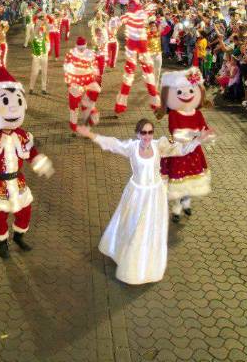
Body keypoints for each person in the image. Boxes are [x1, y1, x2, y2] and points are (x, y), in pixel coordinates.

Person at [75, 119, 210, 285]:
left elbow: (181, 150)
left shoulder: (159, 145)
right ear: (137, 133)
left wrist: (198, 140)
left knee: (149, 229)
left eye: (150, 132)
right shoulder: (131, 147)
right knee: (134, 226)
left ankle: (147, 264)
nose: (147, 136)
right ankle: (128, 260)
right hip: (136, 194)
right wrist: (90, 134)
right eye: (143, 132)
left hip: (154, 194)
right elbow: (112, 143)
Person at [0, 67, 54, 258]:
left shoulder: (21, 134)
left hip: (17, 180)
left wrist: (39, 162)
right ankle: (2, 243)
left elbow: (30, 151)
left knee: (24, 209)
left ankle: (19, 236)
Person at [156, 68, 214, 221]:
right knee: (177, 181)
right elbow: (176, 133)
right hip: (179, 151)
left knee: (189, 180)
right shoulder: (174, 114)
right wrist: (195, 134)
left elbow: (205, 129)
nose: (187, 95)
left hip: (194, 152)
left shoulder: (198, 113)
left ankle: (186, 204)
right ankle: (176, 209)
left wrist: (207, 135)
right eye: (180, 92)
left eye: (190, 90)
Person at [113, 0, 160, 114]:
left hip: (132, 45)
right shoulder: (143, 14)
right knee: (148, 71)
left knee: (129, 74)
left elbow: (116, 23)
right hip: (142, 45)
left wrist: (113, 26)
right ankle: (154, 101)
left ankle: (121, 104)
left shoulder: (128, 15)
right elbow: (153, 7)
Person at [63, 37, 101, 132]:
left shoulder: (91, 54)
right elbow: (66, 68)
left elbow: (96, 69)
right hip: (75, 83)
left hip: (87, 82)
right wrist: (68, 81)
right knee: (74, 106)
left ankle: (87, 123)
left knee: (87, 104)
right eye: (80, 48)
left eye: (82, 48)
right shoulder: (71, 54)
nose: (81, 50)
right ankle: (74, 125)